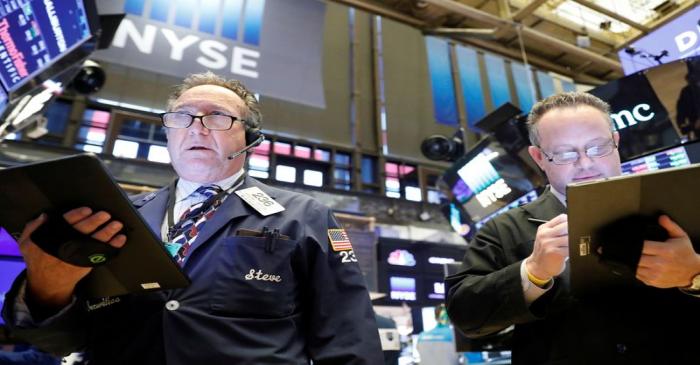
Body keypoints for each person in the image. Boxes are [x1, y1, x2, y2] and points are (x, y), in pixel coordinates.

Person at [1, 72, 383, 364]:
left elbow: (349, 338)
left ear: (250, 138)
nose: (196, 127)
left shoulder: (304, 217)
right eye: (182, 117)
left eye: (217, 117)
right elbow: (63, 341)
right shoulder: (115, 216)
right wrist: (47, 285)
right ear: (168, 133)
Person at [445, 91, 700, 364]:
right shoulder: (504, 229)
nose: (586, 163)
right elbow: (465, 313)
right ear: (539, 158)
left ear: (615, 142)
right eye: (565, 154)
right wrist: (533, 272)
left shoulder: (685, 200)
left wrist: (694, 274)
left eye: (598, 148)